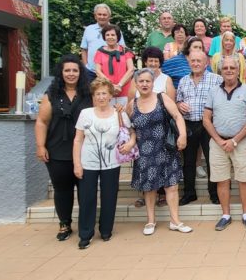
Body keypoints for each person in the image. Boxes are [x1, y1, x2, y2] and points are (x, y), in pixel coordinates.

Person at [127, 68, 192, 235]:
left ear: (153, 82)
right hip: (145, 152)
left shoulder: (162, 97)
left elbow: (177, 116)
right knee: (149, 188)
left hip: (166, 148)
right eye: (141, 81)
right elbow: (131, 129)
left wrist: (183, 135)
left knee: (171, 186)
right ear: (136, 84)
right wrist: (131, 142)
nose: (144, 84)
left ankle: (175, 221)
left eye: (147, 81)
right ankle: (150, 221)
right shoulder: (131, 105)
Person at [35, 55, 92, 241]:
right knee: (62, 190)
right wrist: (40, 145)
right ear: (61, 72)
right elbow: (42, 122)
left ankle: (86, 225)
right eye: (67, 70)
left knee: (86, 191)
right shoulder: (51, 95)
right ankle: (65, 224)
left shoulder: (88, 94)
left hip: (85, 151)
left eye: (75, 70)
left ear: (80, 73)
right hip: (57, 150)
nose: (71, 73)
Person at [73, 77, 134, 249]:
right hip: (88, 162)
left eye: (104, 93)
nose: (101, 97)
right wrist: (77, 164)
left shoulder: (119, 113)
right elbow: (78, 140)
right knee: (86, 199)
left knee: (109, 197)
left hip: (111, 163)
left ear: (110, 96)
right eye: (97, 94)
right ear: (93, 96)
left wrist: (130, 144)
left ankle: (106, 230)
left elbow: (130, 132)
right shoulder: (85, 113)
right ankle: (85, 234)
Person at [204, 56, 246, 231]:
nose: (229, 70)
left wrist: (234, 140)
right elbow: (206, 119)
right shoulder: (213, 91)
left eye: (232, 68)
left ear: (238, 70)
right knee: (222, 180)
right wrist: (220, 141)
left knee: (244, 179)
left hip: (241, 142)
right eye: (225, 67)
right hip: (218, 142)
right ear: (220, 71)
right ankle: (225, 215)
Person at [176, 50, 222, 206]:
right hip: (189, 124)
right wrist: (179, 105)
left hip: (209, 125)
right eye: (193, 61)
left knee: (212, 160)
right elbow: (178, 101)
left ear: (206, 63)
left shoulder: (216, 79)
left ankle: (214, 193)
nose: (195, 64)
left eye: (199, 61)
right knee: (188, 162)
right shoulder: (183, 81)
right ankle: (189, 193)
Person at [93, 24, 134, 106]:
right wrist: (111, 86)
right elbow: (98, 71)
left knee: (125, 116)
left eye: (113, 35)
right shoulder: (100, 52)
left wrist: (119, 85)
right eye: (107, 35)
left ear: (117, 36)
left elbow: (131, 69)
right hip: (107, 91)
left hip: (125, 91)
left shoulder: (126, 51)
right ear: (104, 37)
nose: (110, 37)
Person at [80, 3, 125, 76]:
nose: (102, 17)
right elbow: (84, 49)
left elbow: (122, 49)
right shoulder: (88, 29)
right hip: (91, 72)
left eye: (104, 15)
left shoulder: (116, 30)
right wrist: (86, 67)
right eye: (99, 14)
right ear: (95, 16)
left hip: (111, 73)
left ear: (109, 16)